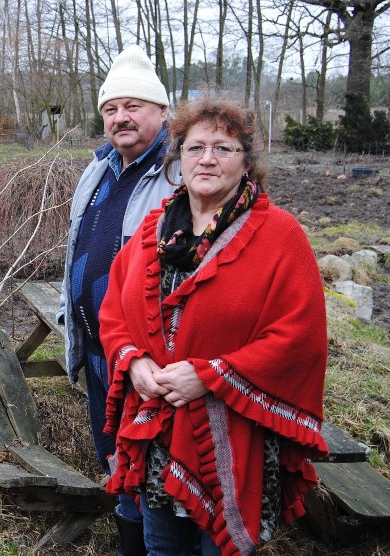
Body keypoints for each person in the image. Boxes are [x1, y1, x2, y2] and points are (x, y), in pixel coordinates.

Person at [98, 96, 329, 556]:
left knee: (218, 550)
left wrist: (210, 376)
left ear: (247, 162)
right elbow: (114, 312)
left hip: (233, 435)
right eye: (194, 147)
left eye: (223, 148)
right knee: (162, 547)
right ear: (177, 157)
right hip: (159, 429)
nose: (206, 159)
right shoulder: (155, 230)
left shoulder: (280, 236)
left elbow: (300, 338)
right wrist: (134, 361)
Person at [57, 45, 181, 556]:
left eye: (133, 106)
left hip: (147, 359)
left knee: (150, 464)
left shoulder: (180, 174)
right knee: (113, 454)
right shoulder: (100, 168)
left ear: (162, 112)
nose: (120, 117)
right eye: (111, 108)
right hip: (98, 350)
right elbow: (77, 246)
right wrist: (72, 315)